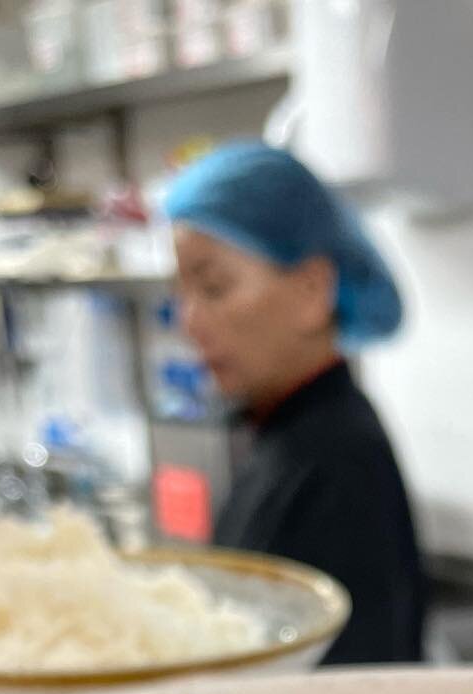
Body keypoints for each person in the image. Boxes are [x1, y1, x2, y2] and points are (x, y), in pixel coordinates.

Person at [165, 141, 425, 664]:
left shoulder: (336, 464)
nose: (189, 320)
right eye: (182, 292)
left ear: (311, 291)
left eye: (214, 287)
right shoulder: (286, 435)